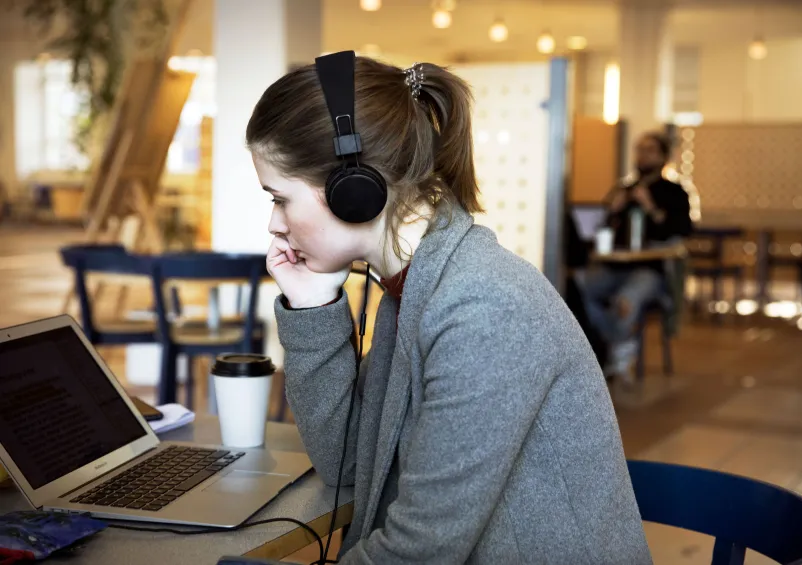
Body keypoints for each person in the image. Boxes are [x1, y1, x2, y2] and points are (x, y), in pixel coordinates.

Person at [247, 51, 651, 564]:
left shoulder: (482, 308)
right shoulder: (415, 289)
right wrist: (312, 304)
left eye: (279, 198)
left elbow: (420, 553)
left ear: (354, 190)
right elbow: (348, 463)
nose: (274, 225)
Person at [580, 132, 692, 383]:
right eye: (639, 150)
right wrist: (613, 210)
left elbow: (682, 232)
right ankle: (622, 341)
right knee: (580, 288)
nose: (643, 155)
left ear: (663, 156)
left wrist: (651, 207)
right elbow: (600, 230)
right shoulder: (624, 189)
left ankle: (616, 349)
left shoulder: (675, 192)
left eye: (650, 150)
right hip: (615, 266)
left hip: (650, 270)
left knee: (625, 300)